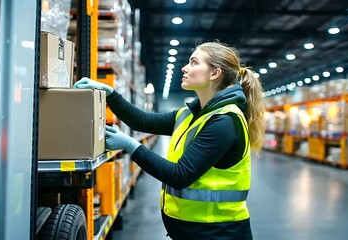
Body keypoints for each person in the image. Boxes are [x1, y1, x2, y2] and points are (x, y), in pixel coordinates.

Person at [74, 41, 265, 240]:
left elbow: (179, 175)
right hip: (196, 232)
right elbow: (142, 121)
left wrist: (130, 145)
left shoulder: (224, 121)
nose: (185, 67)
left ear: (214, 73)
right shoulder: (190, 114)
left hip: (218, 233)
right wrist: (110, 94)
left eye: (193, 62)